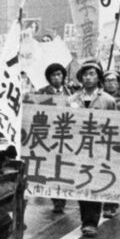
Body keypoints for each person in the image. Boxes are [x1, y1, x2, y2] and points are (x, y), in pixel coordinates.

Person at [70, 62, 118, 236]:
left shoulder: (108, 100)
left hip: (98, 150)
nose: (88, 77)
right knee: (82, 183)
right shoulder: (73, 99)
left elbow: (116, 125)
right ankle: (85, 219)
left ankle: (91, 222)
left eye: (92, 74)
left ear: (98, 77)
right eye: (85, 74)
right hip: (78, 148)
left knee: (94, 183)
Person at [36, 62, 73, 213]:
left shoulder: (71, 93)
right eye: (53, 75)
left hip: (68, 135)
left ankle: (63, 196)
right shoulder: (41, 93)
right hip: (50, 136)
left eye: (59, 74)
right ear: (48, 78)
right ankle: (57, 200)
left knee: (65, 168)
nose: (57, 78)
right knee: (52, 168)